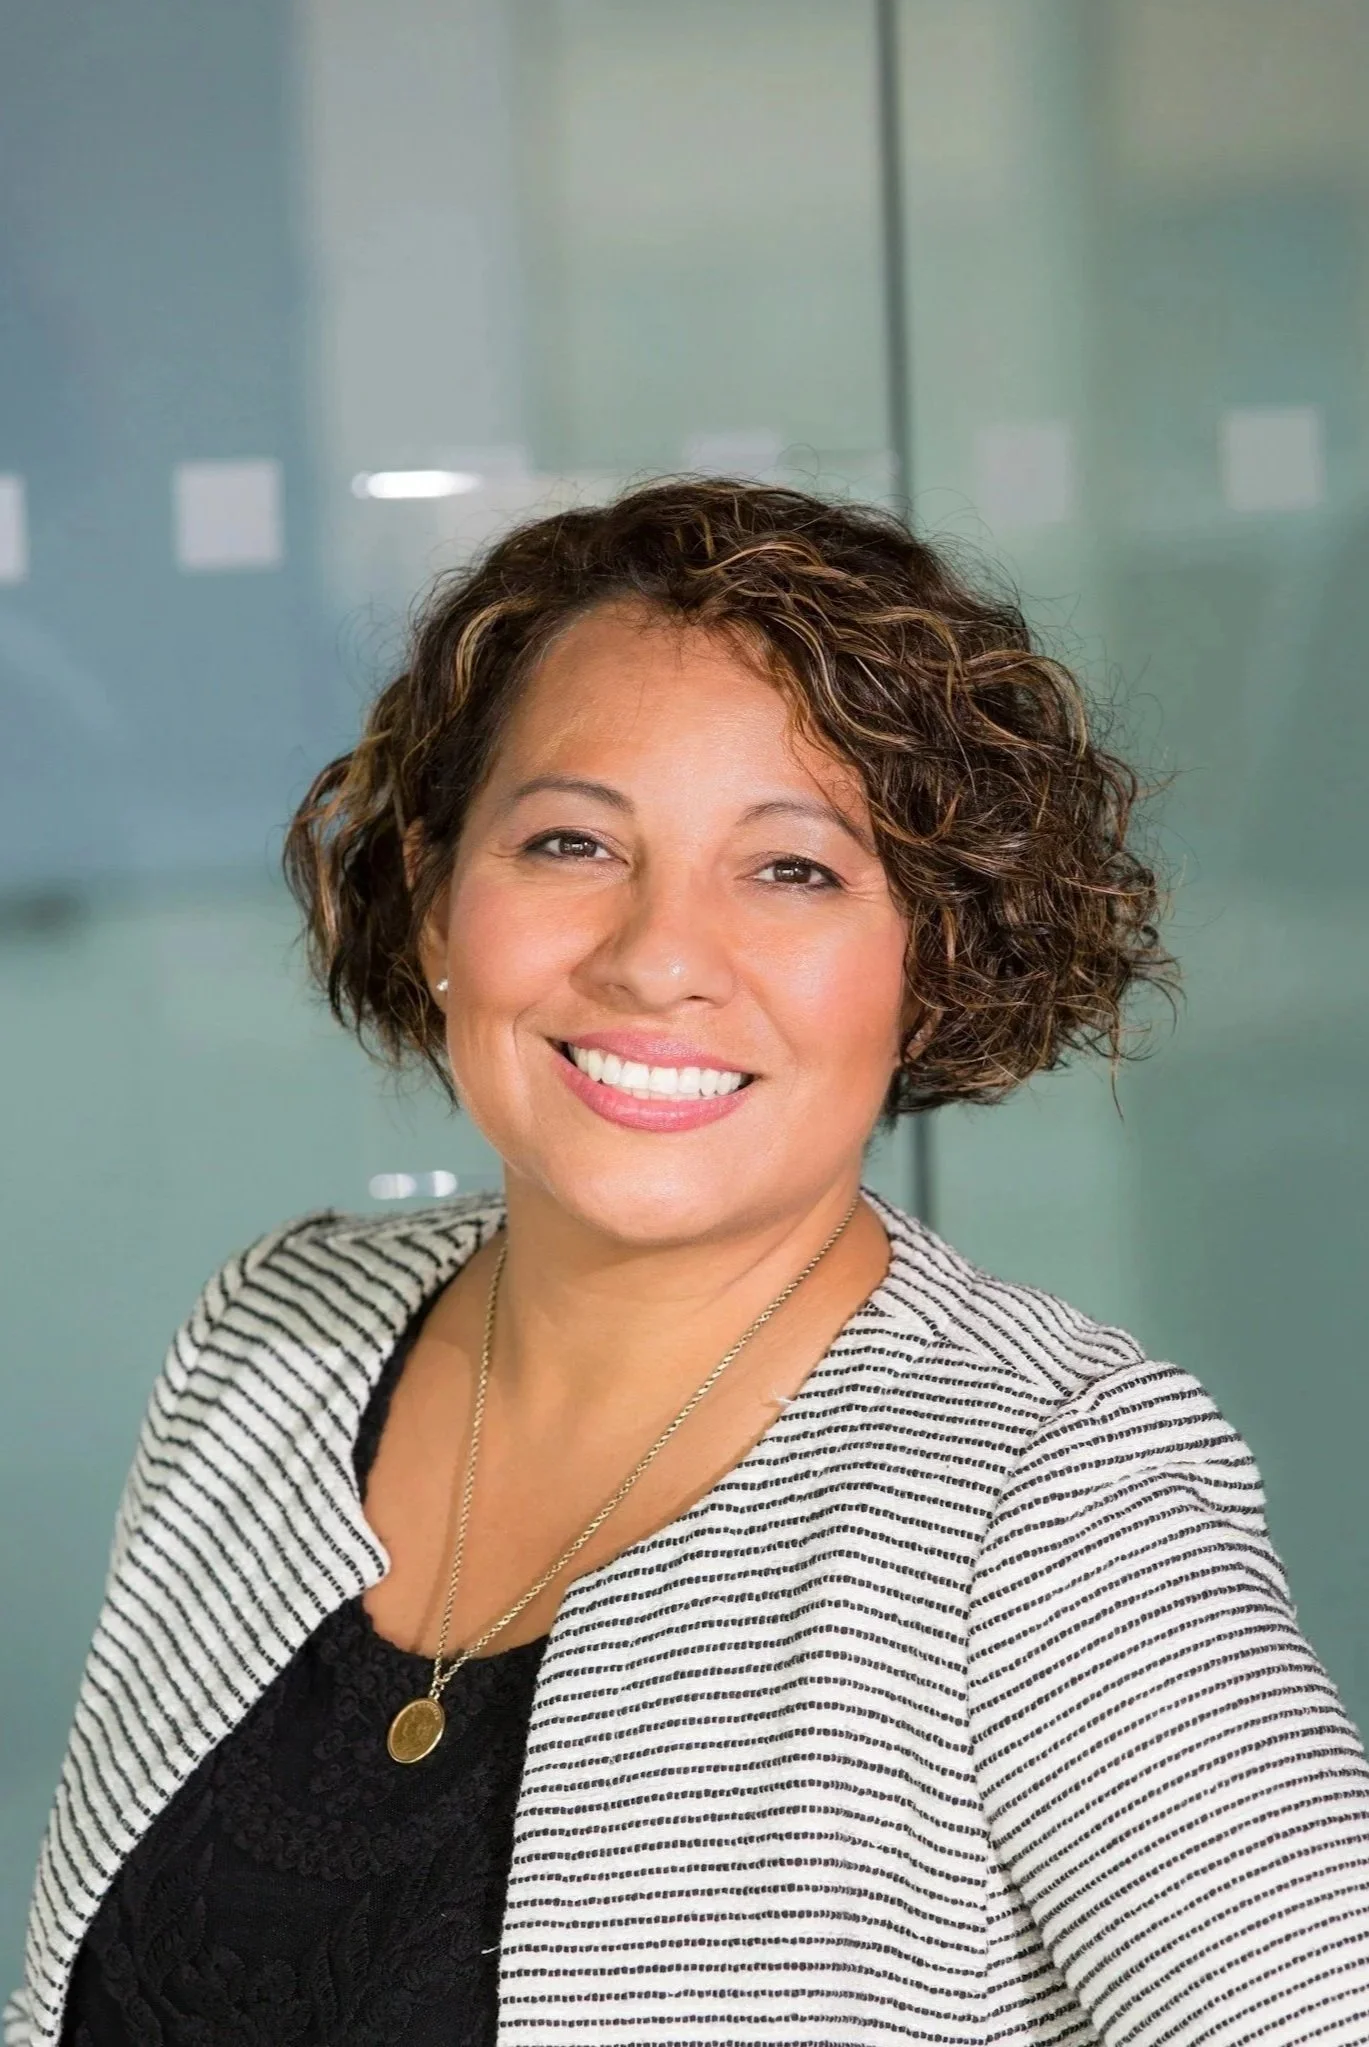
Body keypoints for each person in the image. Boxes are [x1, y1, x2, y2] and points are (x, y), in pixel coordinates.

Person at [11, 479, 1369, 2047]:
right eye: (573, 840)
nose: (659, 954)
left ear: (930, 957)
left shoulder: (1046, 1504)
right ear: (441, 897)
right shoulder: (274, 1338)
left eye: (792, 868)